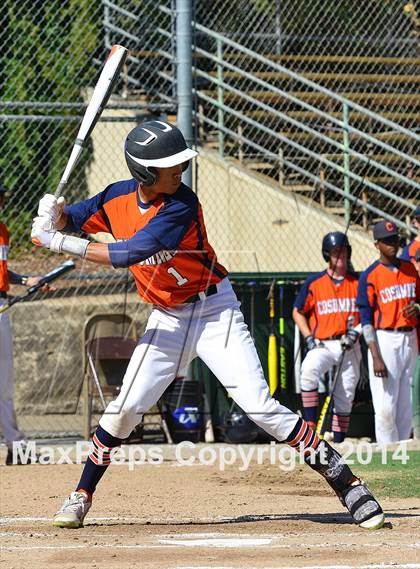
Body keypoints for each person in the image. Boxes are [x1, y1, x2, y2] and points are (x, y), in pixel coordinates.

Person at [31, 120, 384, 530]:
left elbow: (129, 253)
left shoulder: (182, 204)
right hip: (167, 316)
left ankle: (347, 482)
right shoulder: (115, 197)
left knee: (259, 406)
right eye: (170, 164)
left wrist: (54, 241)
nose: (180, 168)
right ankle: (81, 494)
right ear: (145, 172)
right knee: (125, 409)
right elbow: (75, 217)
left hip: (214, 311)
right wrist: (55, 216)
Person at [293, 232, 361, 443]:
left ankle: (339, 440)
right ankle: (311, 427)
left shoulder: (357, 282)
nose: (340, 255)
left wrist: (356, 331)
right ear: (327, 255)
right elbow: (297, 312)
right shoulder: (315, 282)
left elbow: (369, 313)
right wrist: (308, 338)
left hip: (350, 344)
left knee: (346, 394)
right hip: (323, 343)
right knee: (308, 370)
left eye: (343, 251)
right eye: (335, 252)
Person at [0, 183, 51, 465]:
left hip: (2, 306)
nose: (1, 202)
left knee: (3, 383)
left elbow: (2, 271)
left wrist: (24, 281)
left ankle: (15, 446)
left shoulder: (2, 231)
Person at [357, 220, 419, 443]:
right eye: (388, 241)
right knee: (386, 405)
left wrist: (417, 308)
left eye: (396, 239)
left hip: (410, 338)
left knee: (407, 402)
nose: (394, 244)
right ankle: (387, 453)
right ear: (377, 244)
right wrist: (375, 355)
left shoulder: (411, 269)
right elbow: (365, 319)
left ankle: (403, 455)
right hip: (385, 339)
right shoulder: (370, 275)